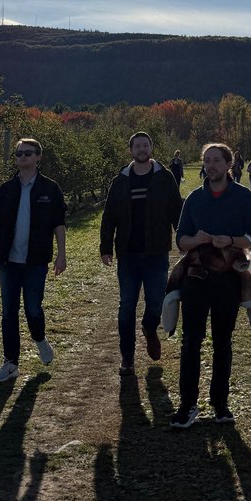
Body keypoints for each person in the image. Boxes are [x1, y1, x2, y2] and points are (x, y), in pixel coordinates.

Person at [171, 142, 251, 428]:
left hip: (228, 279)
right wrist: (196, 240)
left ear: (228, 165)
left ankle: (220, 404)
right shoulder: (194, 200)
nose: (211, 165)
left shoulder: (244, 198)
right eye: (207, 160)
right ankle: (187, 405)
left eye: (216, 160)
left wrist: (233, 241)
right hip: (197, 278)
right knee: (191, 342)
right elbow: (181, 241)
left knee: (223, 341)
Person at [0, 137, 67, 383]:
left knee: (33, 308)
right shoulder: (5, 191)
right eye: (19, 154)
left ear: (39, 157)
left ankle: (39, 338)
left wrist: (62, 254)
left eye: (28, 153)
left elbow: (59, 223)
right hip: (8, 262)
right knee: (8, 313)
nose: (23, 157)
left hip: (36, 262)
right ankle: (11, 363)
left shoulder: (50, 189)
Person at [100, 131, 183, 376]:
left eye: (145, 145)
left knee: (156, 302)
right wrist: (106, 247)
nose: (141, 149)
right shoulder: (121, 181)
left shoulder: (164, 178)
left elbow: (175, 210)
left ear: (151, 148)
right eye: (137, 146)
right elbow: (109, 216)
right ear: (131, 151)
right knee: (126, 306)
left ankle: (149, 329)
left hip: (156, 253)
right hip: (128, 255)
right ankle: (127, 358)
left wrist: (183, 238)